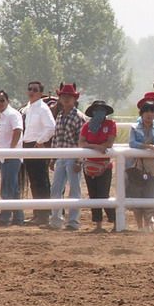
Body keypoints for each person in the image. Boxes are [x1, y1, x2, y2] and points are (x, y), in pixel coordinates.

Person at [48, 84, 87, 230]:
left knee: (74, 189)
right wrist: (53, 158)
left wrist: (79, 160)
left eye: (68, 97)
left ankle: (73, 221)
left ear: (74, 99)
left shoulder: (79, 117)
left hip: (73, 156)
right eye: (63, 96)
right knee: (56, 188)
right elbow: (56, 138)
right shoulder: (59, 116)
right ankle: (56, 219)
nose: (65, 99)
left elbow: (81, 141)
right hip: (60, 157)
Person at [0, 90, 24, 227]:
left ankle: (5, 217)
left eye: (2, 100)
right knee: (11, 187)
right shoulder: (2, 116)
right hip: (5, 156)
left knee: (8, 187)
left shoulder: (12, 114)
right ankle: (18, 217)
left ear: (7, 100)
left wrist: (11, 150)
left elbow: (18, 131)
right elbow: (7, 136)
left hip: (11, 157)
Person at [127, 99, 154, 232]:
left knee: (151, 194)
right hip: (137, 166)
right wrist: (149, 146)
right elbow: (132, 143)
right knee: (137, 194)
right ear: (142, 113)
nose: (150, 114)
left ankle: (148, 225)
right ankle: (140, 226)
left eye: (152, 111)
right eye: (147, 111)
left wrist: (145, 147)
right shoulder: (134, 127)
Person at [20, 81, 56, 226]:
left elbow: (51, 127)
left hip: (36, 145)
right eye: (29, 89)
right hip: (28, 145)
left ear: (41, 93)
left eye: (35, 90)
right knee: (34, 181)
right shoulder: (29, 108)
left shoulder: (42, 108)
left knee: (41, 181)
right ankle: (38, 214)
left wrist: (40, 141)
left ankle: (44, 215)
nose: (31, 92)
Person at [79, 100, 117, 233]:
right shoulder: (87, 126)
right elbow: (81, 143)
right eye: (97, 110)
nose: (99, 112)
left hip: (105, 165)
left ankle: (115, 220)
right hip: (89, 165)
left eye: (102, 110)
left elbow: (110, 142)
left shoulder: (110, 124)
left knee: (103, 194)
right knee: (93, 195)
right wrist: (97, 147)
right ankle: (98, 225)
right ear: (93, 112)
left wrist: (96, 146)